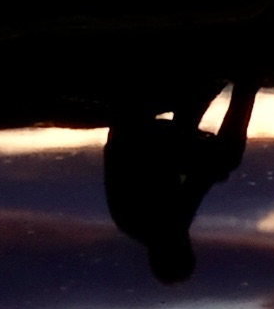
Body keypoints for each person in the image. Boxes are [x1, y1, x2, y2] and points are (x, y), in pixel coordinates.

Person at [103, 72, 259, 281]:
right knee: (212, 158)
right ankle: (222, 88)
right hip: (141, 141)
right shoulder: (149, 228)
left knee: (226, 158)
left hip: (138, 138)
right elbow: (196, 184)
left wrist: (215, 172)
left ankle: (245, 85)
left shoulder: (162, 227)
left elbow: (197, 185)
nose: (188, 243)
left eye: (185, 250)